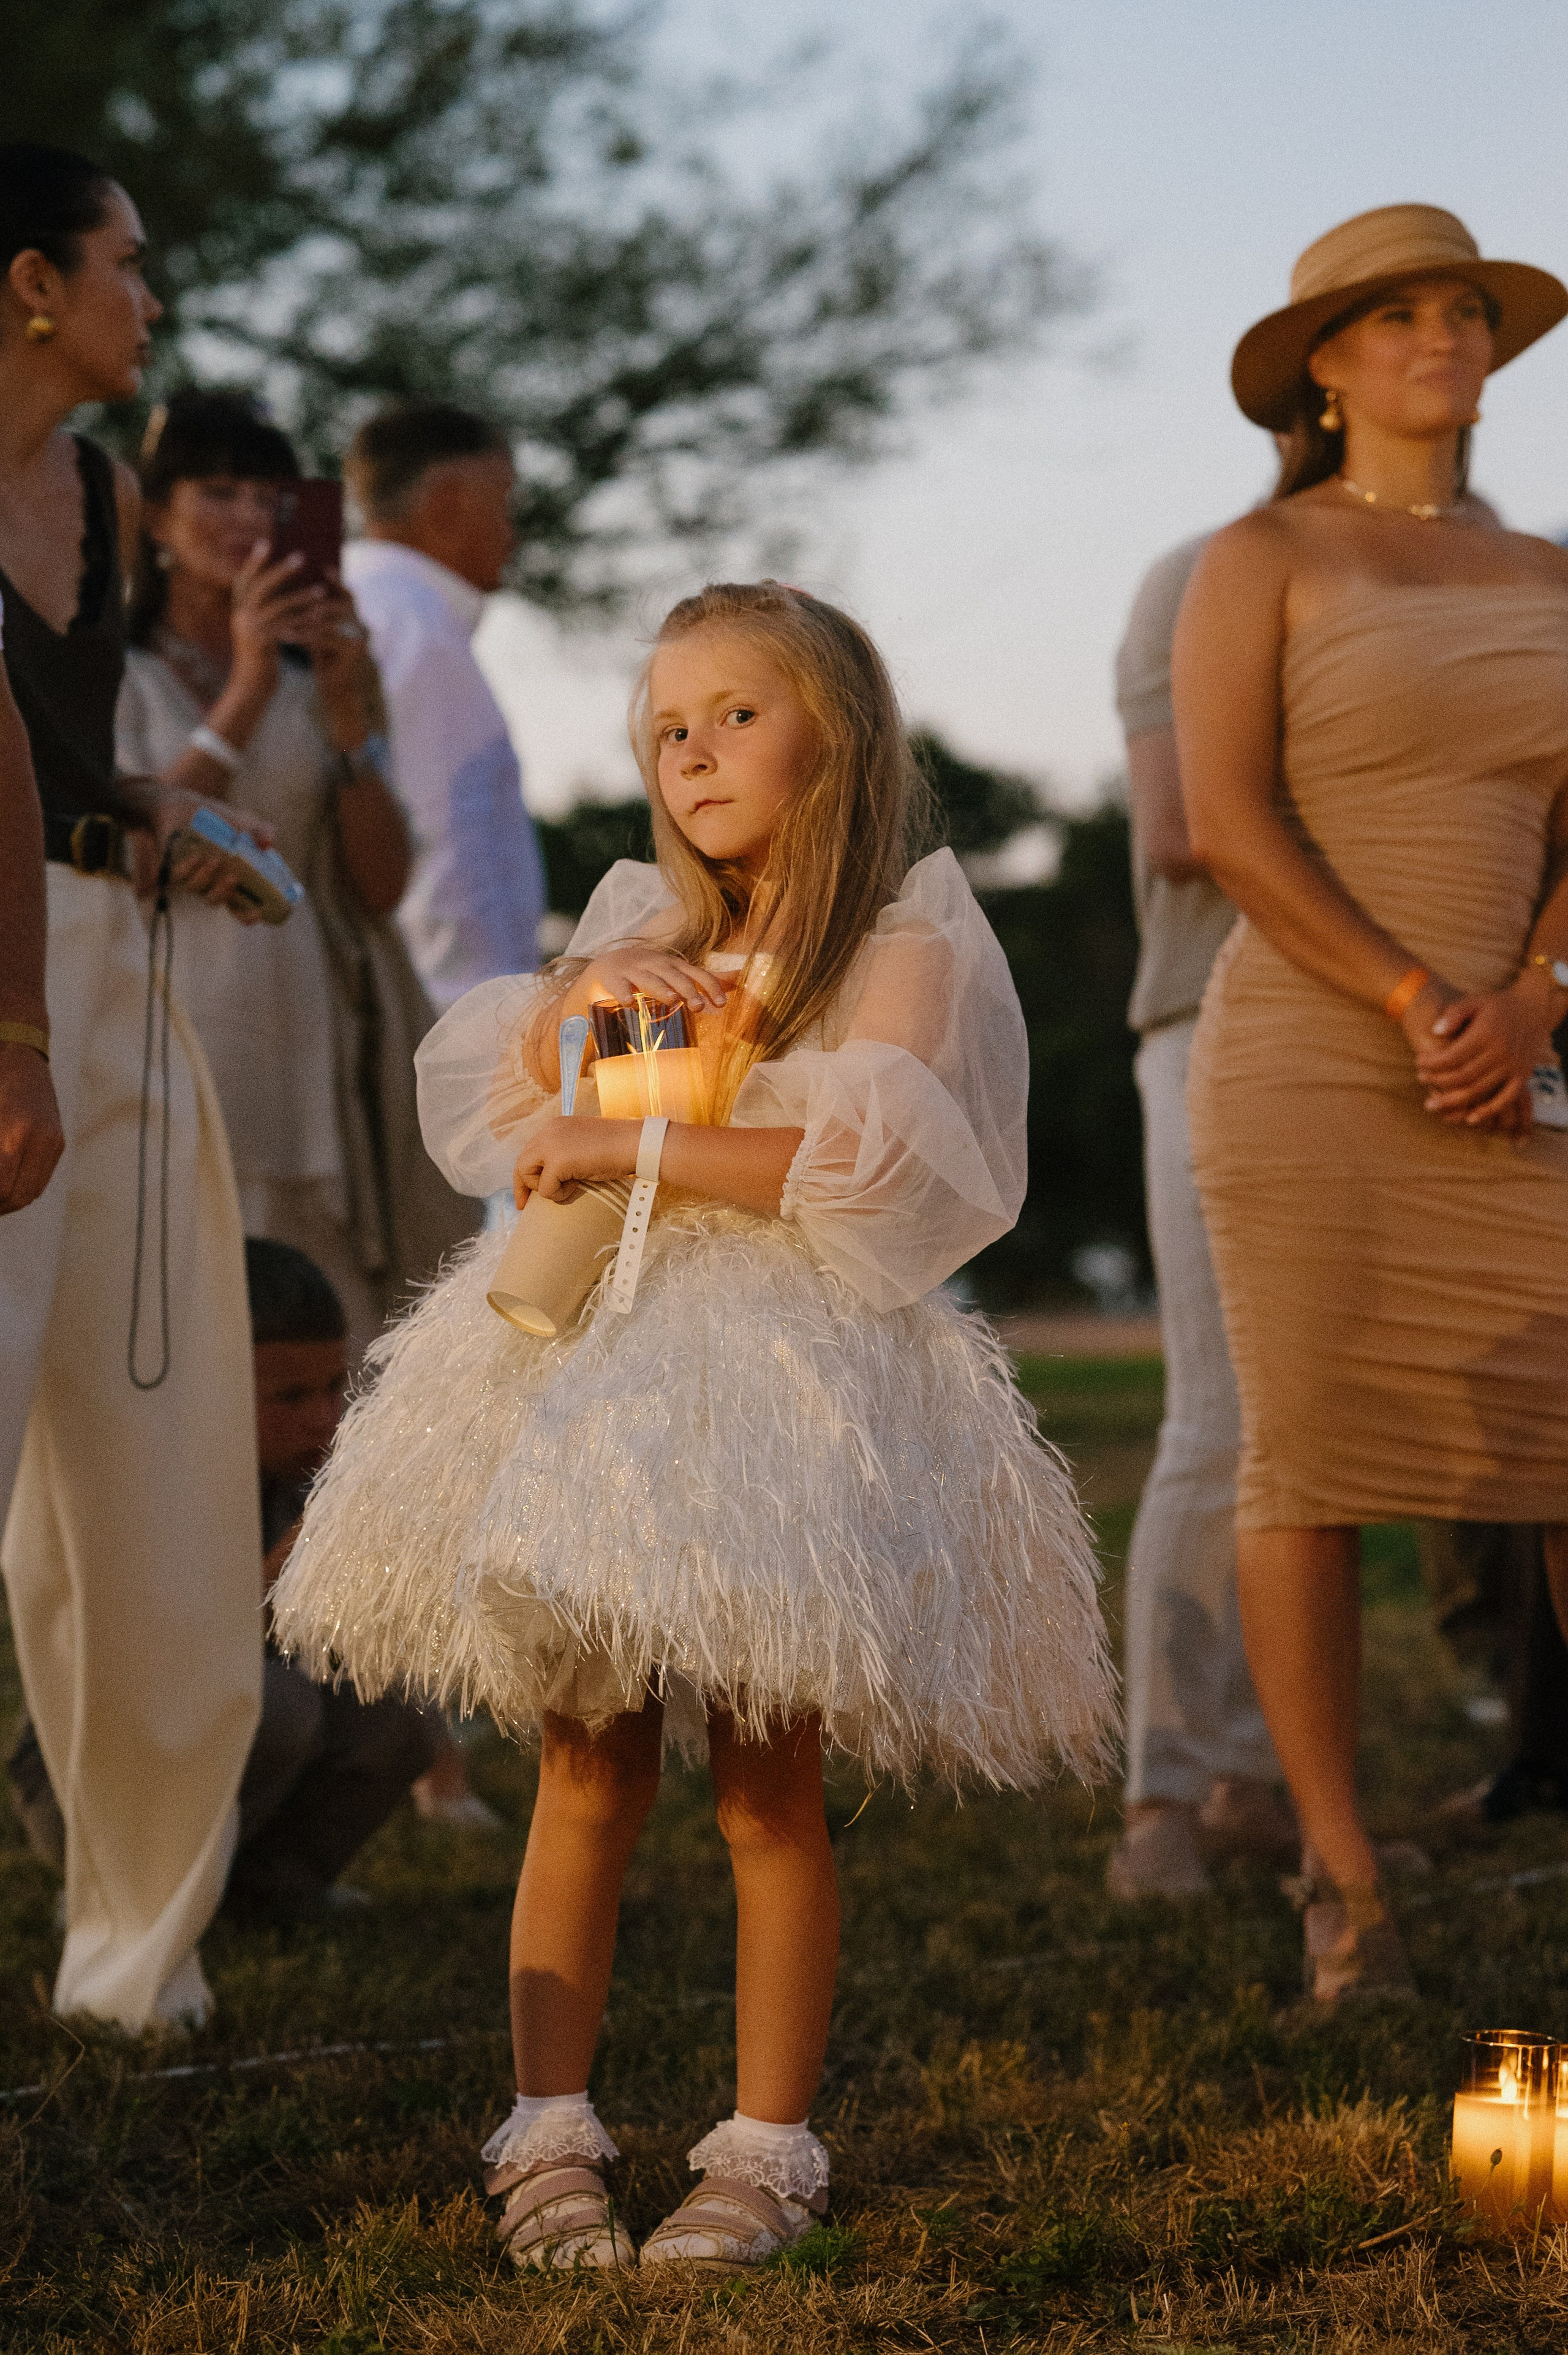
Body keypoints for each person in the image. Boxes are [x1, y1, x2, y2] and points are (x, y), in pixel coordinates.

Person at [273, 580, 1115, 2270]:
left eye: (739, 711)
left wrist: (628, 1148)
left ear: (839, 732)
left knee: (763, 1777)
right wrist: (579, 1015)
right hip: (599, 1377)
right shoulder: (635, 932)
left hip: (779, 1392)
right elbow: (522, 1119)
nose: (697, 749)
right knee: (586, 1756)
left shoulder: (900, 946)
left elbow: (853, 1169)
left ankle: (765, 2145)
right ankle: (551, 2119)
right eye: (669, 726)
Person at [1173, 203, 1568, 2002]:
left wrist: (1534, 994)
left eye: (1462, 311)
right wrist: (1416, 998)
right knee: (1311, 1460)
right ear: (1323, 365)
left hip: (1522, 1053)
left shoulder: (1552, 574)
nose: (1440, 337)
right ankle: (1344, 1883)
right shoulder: (1258, 555)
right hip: (1322, 1051)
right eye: (1399, 314)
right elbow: (1227, 829)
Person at [0, 143, 276, 2031]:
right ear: (30, 281)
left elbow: (57, 759)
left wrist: (162, 805)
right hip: (0, 1003)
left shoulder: (99, 491)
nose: (150, 299)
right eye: (126, 262)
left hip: (114, 985)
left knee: (164, 1475)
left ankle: (133, 1958)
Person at [115, 390, 479, 1355]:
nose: (245, 520)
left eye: (272, 500)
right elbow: (131, 852)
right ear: (155, 516)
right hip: (172, 1031)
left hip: (322, 1038)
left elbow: (382, 887)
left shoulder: (323, 674)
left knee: (331, 1340)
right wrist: (243, 691)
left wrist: (352, 724)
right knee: (189, 1327)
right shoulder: (113, 667)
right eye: (219, 491)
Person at [8, 1238, 442, 1906]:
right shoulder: (136, 1474)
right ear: (208, 1379)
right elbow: (138, 1674)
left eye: (334, 1387)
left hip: (228, 1737)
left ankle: (262, 1893)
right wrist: (280, 1575)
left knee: (399, 1716)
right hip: (82, 1784)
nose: (323, 1419)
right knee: (276, 1707)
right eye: (289, 1395)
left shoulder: (296, 1469)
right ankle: (118, 1902)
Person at [1105, 537, 1292, 1900]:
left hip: (1376, 1044)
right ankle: (1157, 1796)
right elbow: (1181, 828)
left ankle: (1264, 1779)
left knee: (1317, 1436)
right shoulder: (1201, 577)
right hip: (1211, 1021)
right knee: (1214, 1415)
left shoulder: (1455, 575)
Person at [341, 403, 545, 1011]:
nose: (513, 529)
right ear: (447, 501)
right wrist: (486, 1018)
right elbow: (450, 832)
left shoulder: (364, 604)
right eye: (503, 501)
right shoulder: (415, 625)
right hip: (450, 1016)